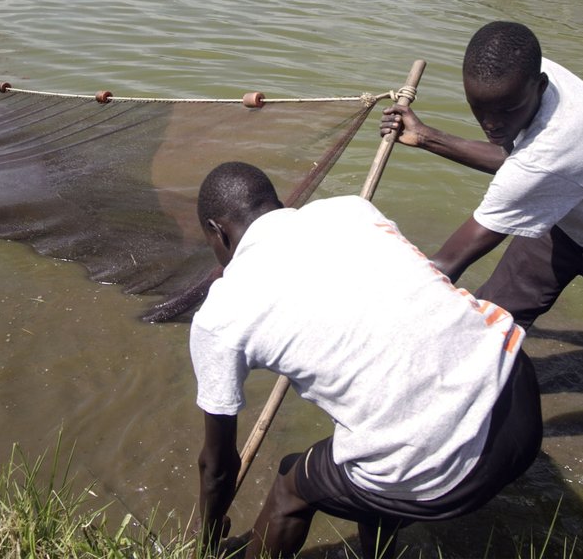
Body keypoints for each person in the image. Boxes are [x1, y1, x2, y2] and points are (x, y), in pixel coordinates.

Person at [380, 21, 583, 494]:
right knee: (479, 333)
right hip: (567, 210)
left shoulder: (561, 145)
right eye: (479, 110)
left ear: (539, 84)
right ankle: (452, 428)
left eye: (506, 110)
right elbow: (521, 162)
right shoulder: (533, 84)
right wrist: (427, 138)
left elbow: (448, 263)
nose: (494, 125)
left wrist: (375, 312)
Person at [191, 162, 543, 559]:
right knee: (368, 451)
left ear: (217, 231)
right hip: (520, 398)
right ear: (274, 203)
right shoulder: (350, 209)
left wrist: (207, 533)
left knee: (291, 485)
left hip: (449, 469)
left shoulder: (219, 317)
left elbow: (218, 469)